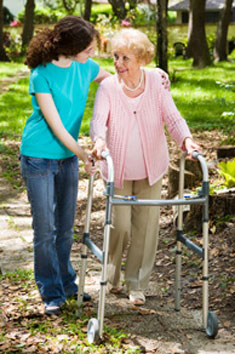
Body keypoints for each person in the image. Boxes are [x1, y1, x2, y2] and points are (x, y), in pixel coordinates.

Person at [90, 28, 201, 306]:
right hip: (119, 170)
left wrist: (186, 140)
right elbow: (98, 121)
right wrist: (99, 142)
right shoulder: (108, 88)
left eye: (125, 58)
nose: (118, 64)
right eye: (115, 57)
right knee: (121, 226)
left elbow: (173, 118)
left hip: (151, 166)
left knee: (146, 227)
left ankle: (137, 283)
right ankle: (111, 276)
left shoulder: (156, 83)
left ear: (141, 59)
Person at [20, 16, 110, 316]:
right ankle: (51, 291)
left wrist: (152, 77)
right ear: (71, 48)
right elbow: (57, 126)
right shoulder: (41, 74)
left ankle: (68, 283)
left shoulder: (86, 67)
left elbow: (115, 80)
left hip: (67, 159)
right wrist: (85, 153)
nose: (92, 54)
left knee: (65, 228)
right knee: (45, 229)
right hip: (38, 156)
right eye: (87, 48)